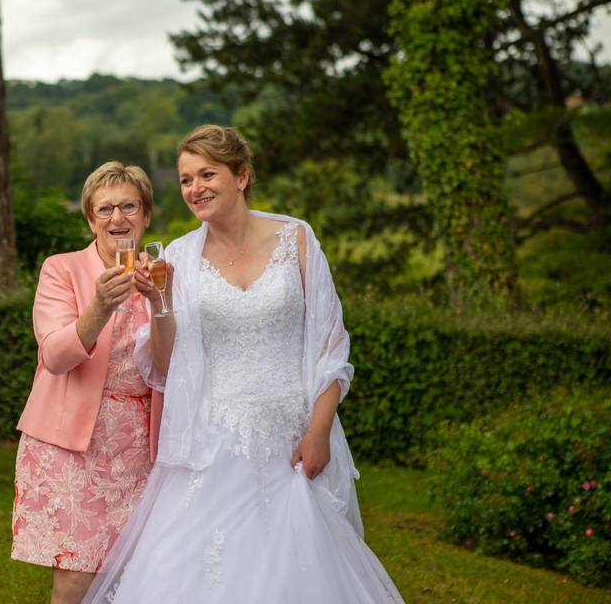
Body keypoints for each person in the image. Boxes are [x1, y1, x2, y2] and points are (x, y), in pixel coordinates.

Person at [84, 126, 404, 603]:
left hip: (291, 438)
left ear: (242, 176)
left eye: (207, 174)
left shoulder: (297, 238)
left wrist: (318, 431)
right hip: (213, 443)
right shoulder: (179, 257)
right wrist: (160, 302)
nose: (195, 188)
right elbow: (168, 366)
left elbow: (331, 348)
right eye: (186, 179)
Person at [11, 161, 165, 604]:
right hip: (73, 443)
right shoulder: (61, 269)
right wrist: (98, 306)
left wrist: (162, 302)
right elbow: (55, 357)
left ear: (146, 214)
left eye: (129, 206)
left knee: (138, 572)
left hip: (141, 446)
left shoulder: (162, 274)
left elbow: (177, 364)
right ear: (89, 217)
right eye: (105, 209)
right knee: (77, 574)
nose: (118, 218)